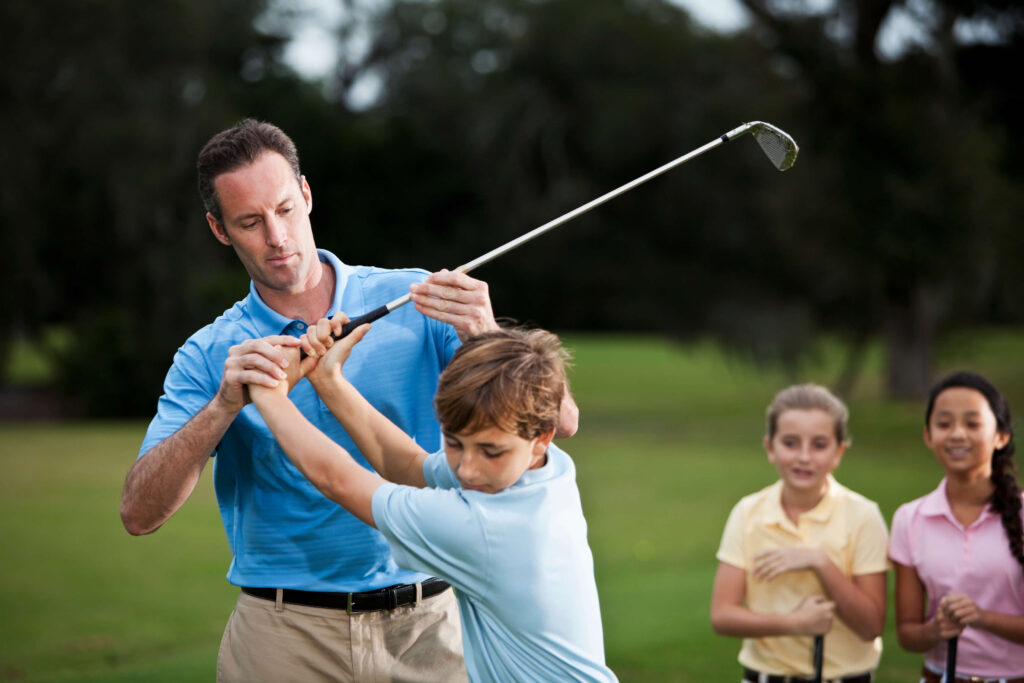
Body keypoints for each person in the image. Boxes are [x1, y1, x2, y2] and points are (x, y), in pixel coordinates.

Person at [120, 118, 577, 682]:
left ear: (307, 195)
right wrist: (222, 408)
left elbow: (562, 423)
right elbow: (139, 515)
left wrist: (487, 336)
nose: (277, 237)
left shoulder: (416, 298)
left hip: (431, 624)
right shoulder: (209, 353)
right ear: (219, 229)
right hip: (284, 636)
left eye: (285, 209)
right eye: (251, 222)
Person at [243, 318, 615, 682]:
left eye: (491, 451)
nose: (467, 470)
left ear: (543, 437)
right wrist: (329, 380)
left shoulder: (482, 528)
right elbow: (409, 466)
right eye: (454, 443)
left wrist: (268, 393)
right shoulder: (549, 470)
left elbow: (337, 480)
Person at [710, 384, 888, 683]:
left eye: (819, 445)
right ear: (770, 448)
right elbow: (722, 616)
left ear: (838, 452)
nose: (804, 457)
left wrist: (820, 562)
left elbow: (871, 625)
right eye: (790, 443)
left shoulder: (863, 516)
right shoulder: (748, 513)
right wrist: (795, 623)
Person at [889, 371, 1024, 682]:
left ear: (1001, 436)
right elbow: (907, 635)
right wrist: (934, 631)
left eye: (972, 424)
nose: (957, 434)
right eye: (944, 424)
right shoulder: (909, 519)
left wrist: (983, 618)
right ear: (928, 436)